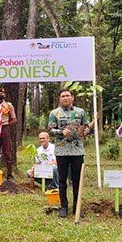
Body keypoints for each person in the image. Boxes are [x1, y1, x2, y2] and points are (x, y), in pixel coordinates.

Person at [48, 89, 91, 218]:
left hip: (77, 151)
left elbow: (87, 126)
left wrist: (86, 131)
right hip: (61, 151)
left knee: (77, 180)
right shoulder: (54, 113)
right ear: (60, 98)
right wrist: (61, 132)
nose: (65, 98)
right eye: (63, 96)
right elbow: (50, 130)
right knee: (62, 180)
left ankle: (77, 207)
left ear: (72, 97)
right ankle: (63, 207)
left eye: (68, 96)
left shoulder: (80, 112)